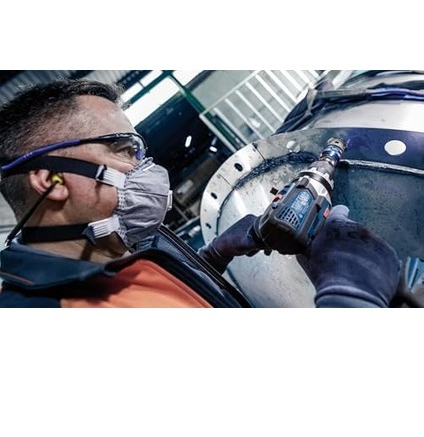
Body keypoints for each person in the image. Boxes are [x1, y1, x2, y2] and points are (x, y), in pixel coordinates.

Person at [0, 79, 401, 308]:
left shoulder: (118, 247)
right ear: (50, 180)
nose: (146, 168)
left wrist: (212, 258)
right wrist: (351, 295)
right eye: (124, 150)